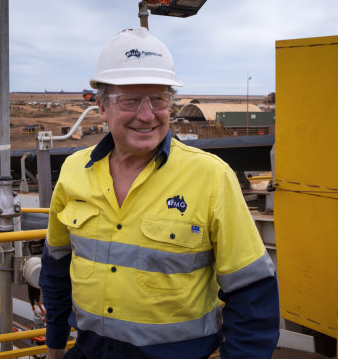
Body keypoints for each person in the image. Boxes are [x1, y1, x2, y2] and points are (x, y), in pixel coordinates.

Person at [39, 27, 279, 359]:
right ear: (102, 107)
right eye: (131, 100)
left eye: (158, 99)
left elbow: (253, 294)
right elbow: (56, 266)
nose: (147, 114)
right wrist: (54, 344)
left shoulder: (210, 177)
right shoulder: (73, 172)